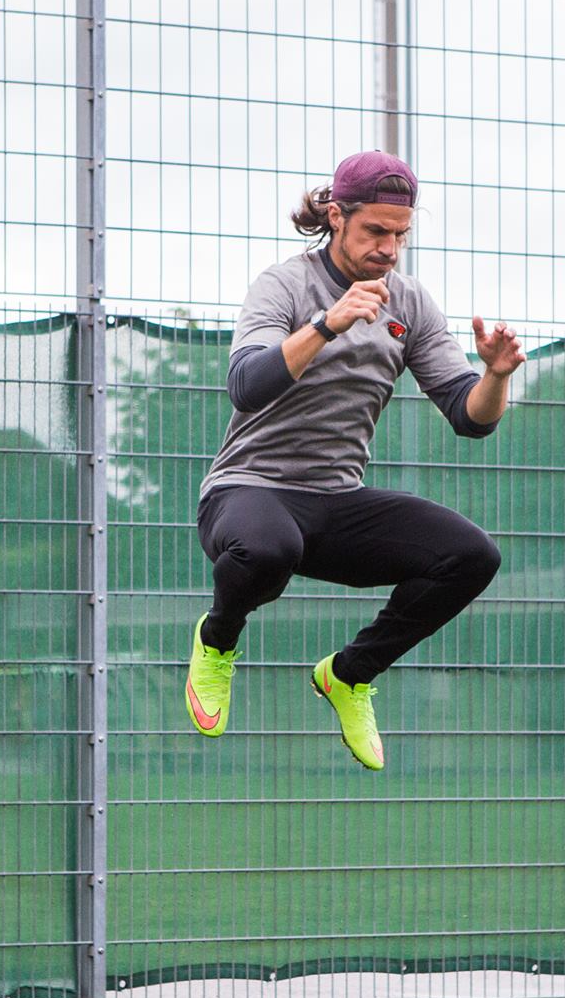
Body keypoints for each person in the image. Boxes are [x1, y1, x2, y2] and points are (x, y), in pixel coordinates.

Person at [184, 150, 524, 769]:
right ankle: (218, 640)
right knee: (266, 551)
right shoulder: (284, 285)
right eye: (376, 231)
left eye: (401, 234)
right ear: (336, 216)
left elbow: (468, 416)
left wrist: (495, 376)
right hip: (248, 491)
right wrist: (325, 324)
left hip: (335, 502)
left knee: (472, 555)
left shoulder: (410, 304)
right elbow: (246, 385)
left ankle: (349, 673)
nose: (390, 249)